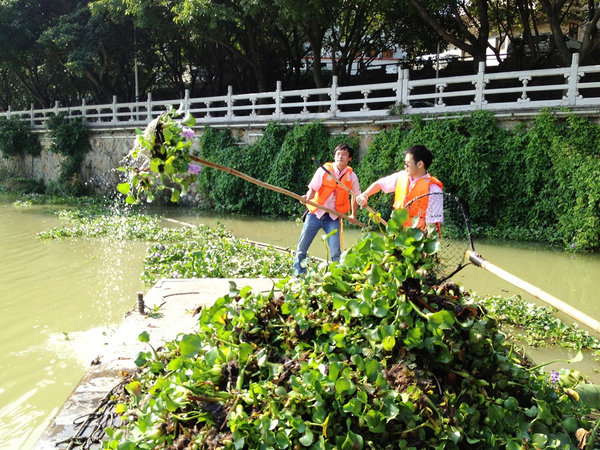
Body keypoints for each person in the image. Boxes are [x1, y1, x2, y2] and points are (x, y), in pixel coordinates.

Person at [293, 143, 360, 275]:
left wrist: (354, 215)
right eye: (338, 154)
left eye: (344, 154)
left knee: (336, 251)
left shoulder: (352, 176)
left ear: (350, 158)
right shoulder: (324, 170)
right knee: (302, 246)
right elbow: (313, 189)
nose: (340, 157)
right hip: (316, 213)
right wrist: (306, 198)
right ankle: (299, 273)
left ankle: (336, 276)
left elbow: (355, 196)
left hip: (333, 217)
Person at [356, 145, 443, 231]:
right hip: (398, 236)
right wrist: (365, 195)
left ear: (420, 164)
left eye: (407, 164)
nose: (405, 166)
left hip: (419, 240)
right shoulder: (400, 177)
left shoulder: (434, 189)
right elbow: (380, 184)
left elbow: (432, 224)